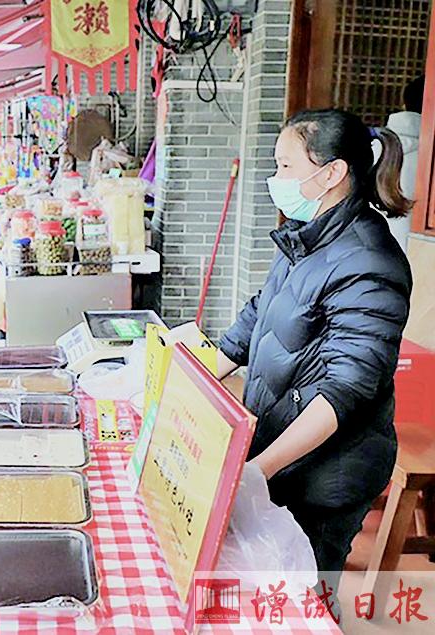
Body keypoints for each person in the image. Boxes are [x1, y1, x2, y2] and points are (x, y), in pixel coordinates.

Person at [216, 109, 412, 588]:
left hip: (326, 474)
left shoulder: (369, 261)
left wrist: (258, 470)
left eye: (285, 166)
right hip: (281, 450)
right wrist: (183, 377)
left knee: (305, 595)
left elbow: (345, 390)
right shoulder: (307, 240)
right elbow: (257, 319)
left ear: (331, 173)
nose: (275, 178)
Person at [383, 74, 425, 252]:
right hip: (423, 262)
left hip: (372, 257)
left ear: (404, 105)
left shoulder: (371, 149)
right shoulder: (427, 155)